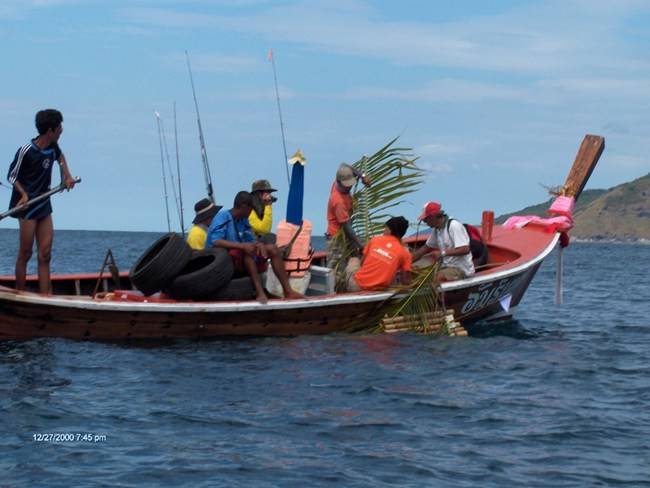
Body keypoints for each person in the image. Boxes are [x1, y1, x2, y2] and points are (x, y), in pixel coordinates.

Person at [6, 109, 76, 294]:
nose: (62, 130)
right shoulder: (26, 151)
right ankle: (20, 294)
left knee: (45, 254)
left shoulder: (53, 148)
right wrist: (23, 194)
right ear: (50, 130)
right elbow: (12, 177)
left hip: (44, 202)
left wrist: (67, 176)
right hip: (26, 205)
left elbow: (60, 158)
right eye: (59, 127)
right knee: (26, 254)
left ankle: (46, 296)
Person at [205, 191, 303, 302]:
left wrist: (259, 244)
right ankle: (259, 292)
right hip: (221, 261)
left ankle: (288, 291)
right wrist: (243, 246)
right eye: (251, 208)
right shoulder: (223, 216)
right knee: (246, 251)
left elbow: (250, 240)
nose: (252, 211)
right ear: (245, 206)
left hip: (239, 256)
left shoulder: (244, 220)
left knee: (272, 249)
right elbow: (216, 242)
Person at [325, 163, 371, 283]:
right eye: (347, 186)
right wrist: (360, 245)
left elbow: (344, 165)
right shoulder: (338, 201)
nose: (349, 188)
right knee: (337, 271)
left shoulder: (336, 183)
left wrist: (362, 176)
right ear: (339, 182)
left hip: (347, 235)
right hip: (336, 237)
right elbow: (347, 227)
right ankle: (337, 293)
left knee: (357, 258)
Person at [343, 216, 412, 292]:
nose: (384, 229)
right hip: (380, 290)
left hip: (357, 286)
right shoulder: (405, 254)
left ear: (390, 230)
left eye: (386, 227)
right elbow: (406, 283)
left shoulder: (374, 240)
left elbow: (362, 263)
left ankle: (341, 289)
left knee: (354, 259)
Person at [411, 201, 475, 281]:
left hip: (460, 269)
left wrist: (442, 253)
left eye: (425, 220)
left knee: (433, 279)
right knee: (419, 276)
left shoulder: (454, 226)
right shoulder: (437, 229)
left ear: (432, 217)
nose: (426, 223)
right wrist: (408, 262)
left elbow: (465, 249)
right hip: (446, 267)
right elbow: (426, 248)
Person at [249, 179, 277, 243]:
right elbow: (265, 230)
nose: (269, 195)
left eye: (270, 193)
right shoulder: (249, 210)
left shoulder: (262, 209)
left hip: (258, 241)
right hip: (249, 242)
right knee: (270, 237)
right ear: (259, 193)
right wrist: (268, 205)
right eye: (267, 192)